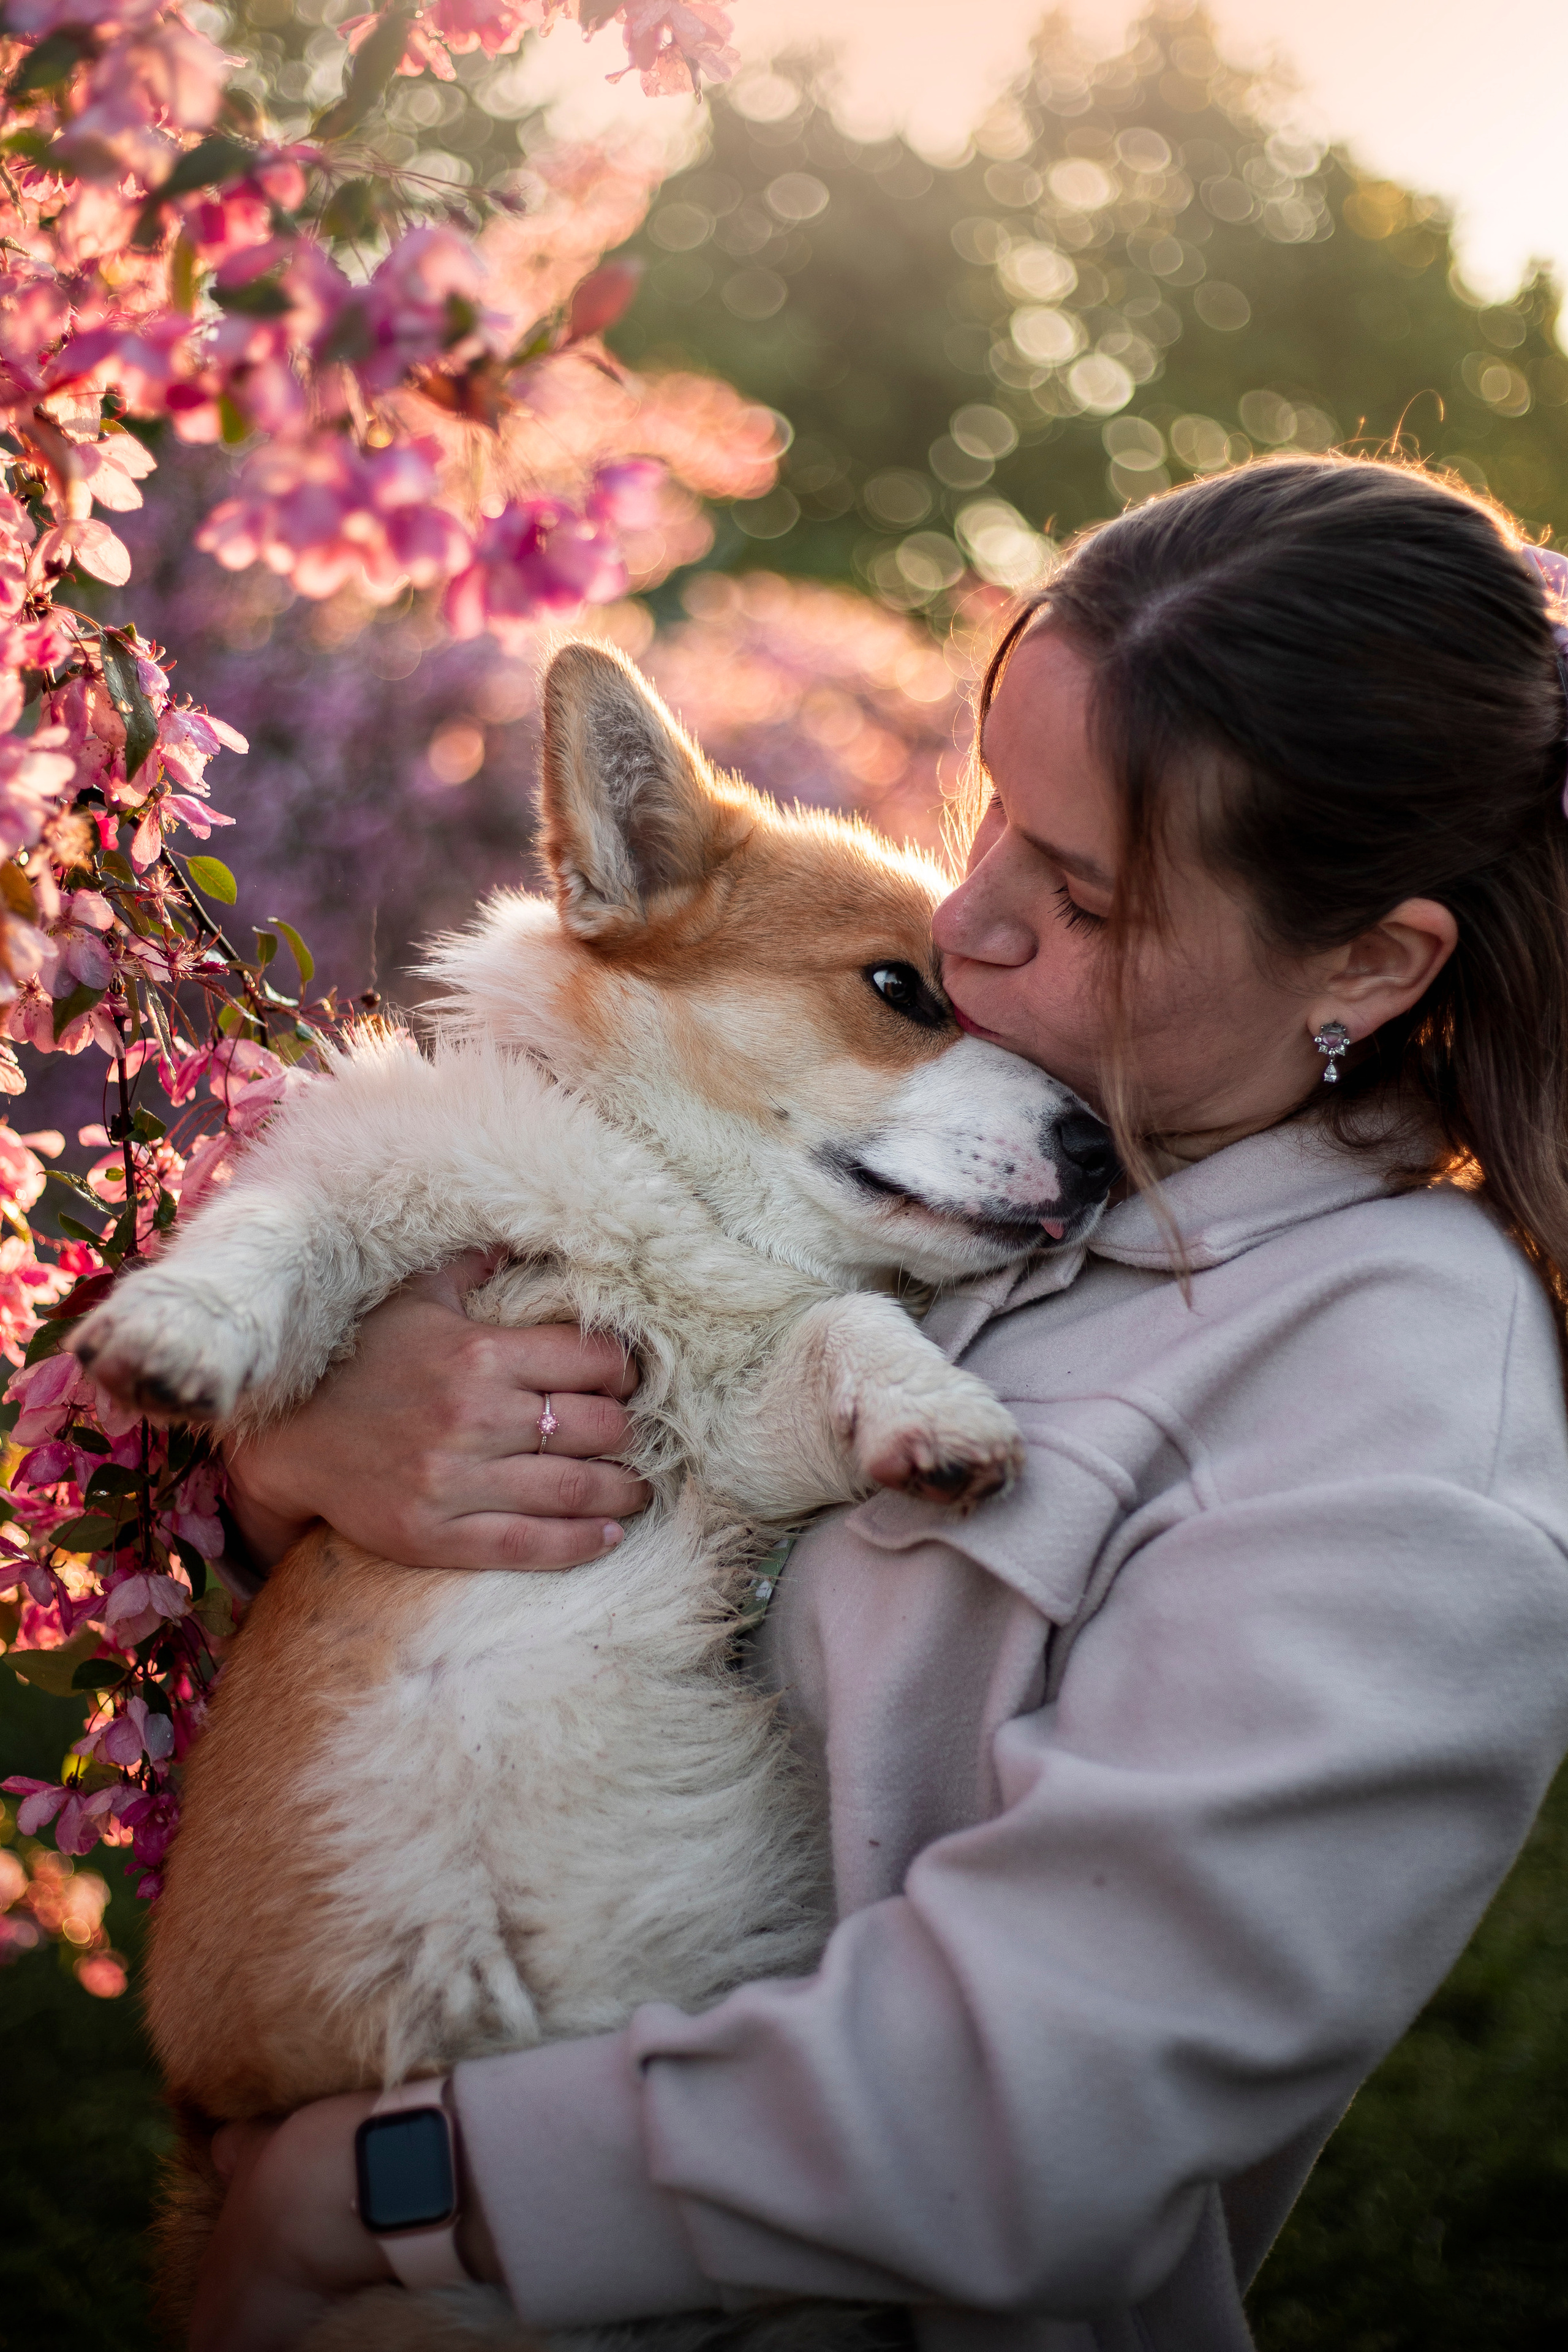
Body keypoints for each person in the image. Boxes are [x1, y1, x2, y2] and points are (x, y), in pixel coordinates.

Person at [189, 456, 1568, 2352]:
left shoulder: (1407, 1412)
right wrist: (309, 1466)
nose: (977, 922)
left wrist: (391, 2190)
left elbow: (1038, 2100)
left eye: (1082, 891)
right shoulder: (966, 1136)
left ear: (1369, 962)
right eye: (994, 813)